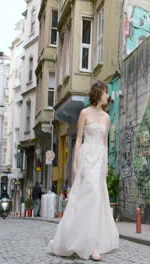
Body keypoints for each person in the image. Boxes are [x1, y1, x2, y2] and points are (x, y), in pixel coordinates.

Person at [47, 80, 119, 261]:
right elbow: (78, 139)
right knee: (85, 198)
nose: (108, 96)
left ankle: (93, 242)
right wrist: (74, 163)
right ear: (98, 93)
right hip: (87, 158)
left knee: (96, 197)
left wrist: (107, 165)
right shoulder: (84, 113)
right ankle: (86, 242)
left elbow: (105, 143)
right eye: (105, 92)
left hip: (99, 159)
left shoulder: (107, 117)